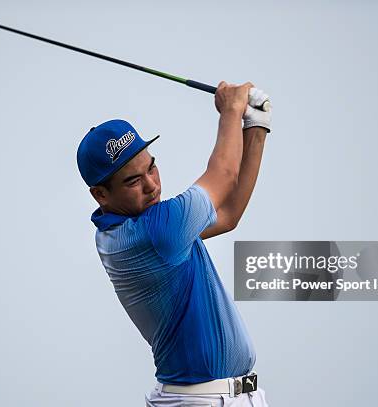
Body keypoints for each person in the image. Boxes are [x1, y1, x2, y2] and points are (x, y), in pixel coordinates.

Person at [76, 81, 272, 406]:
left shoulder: (137, 228)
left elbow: (229, 212)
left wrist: (256, 125)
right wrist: (231, 109)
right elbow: (223, 175)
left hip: (236, 397)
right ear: (100, 194)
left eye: (151, 166)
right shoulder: (158, 231)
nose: (152, 185)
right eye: (134, 180)